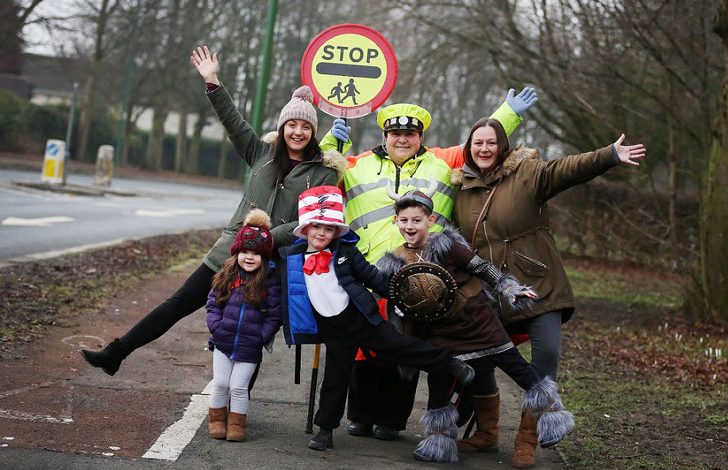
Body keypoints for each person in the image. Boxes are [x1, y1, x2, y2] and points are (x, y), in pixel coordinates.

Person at [79, 45, 347, 376]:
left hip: (272, 264)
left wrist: (267, 237)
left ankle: (237, 408)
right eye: (291, 124)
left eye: (305, 127)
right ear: (282, 128)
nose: (297, 132)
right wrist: (212, 81)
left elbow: (310, 220)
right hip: (229, 253)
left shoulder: (322, 172)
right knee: (177, 304)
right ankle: (116, 353)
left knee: (248, 331)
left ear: (313, 131)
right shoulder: (261, 153)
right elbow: (233, 121)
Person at [333, 89, 537, 441]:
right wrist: (331, 142)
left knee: (405, 350)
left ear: (420, 138)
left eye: (409, 134)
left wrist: (508, 112)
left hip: (423, 282)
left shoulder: (442, 162)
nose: (402, 139)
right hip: (368, 275)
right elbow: (318, 168)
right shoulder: (356, 163)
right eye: (395, 134)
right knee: (365, 352)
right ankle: (361, 416)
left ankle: (391, 421)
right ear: (384, 136)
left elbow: (479, 145)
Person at [451, 117, 646, 467]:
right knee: (479, 355)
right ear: (469, 147)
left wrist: (609, 155)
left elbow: (568, 169)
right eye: (477, 143)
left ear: (503, 147)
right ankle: (486, 434)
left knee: (546, 357)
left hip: (538, 285)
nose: (484, 149)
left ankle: (528, 438)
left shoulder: (528, 174)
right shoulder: (460, 189)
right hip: (491, 290)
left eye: (491, 142)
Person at [378, 189, 574, 463]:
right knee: (440, 383)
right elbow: (396, 300)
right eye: (404, 220)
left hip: (478, 323)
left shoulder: (448, 244)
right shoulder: (395, 261)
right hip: (441, 333)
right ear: (395, 221)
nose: (410, 226)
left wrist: (508, 287)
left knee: (518, 369)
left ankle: (554, 418)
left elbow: (482, 267)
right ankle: (438, 442)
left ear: (430, 220)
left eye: (417, 220)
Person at [276, 186, 476, 454]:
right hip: (332, 328)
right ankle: (325, 430)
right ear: (305, 229)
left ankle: (447, 362)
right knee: (335, 378)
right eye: (316, 227)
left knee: (398, 347)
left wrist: (405, 299)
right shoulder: (291, 258)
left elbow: (374, 278)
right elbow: (278, 287)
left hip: (360, 318)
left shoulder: (346, 252)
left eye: (329, 229)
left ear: (336, 231)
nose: (322, 233)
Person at [205, 208, 281, 442]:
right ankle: (217, 420)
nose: (249, 257)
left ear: (264, 257)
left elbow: (275, 314)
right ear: (237, 252)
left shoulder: (269, 282)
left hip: (250, 345)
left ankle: (236, 424)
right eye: (245, 252)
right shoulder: (228, 275)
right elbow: (212, 304)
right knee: (220, 383)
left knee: (238, 387)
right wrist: (216, 327)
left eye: (256, 254)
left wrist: (261, 336)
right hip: (223, 340)